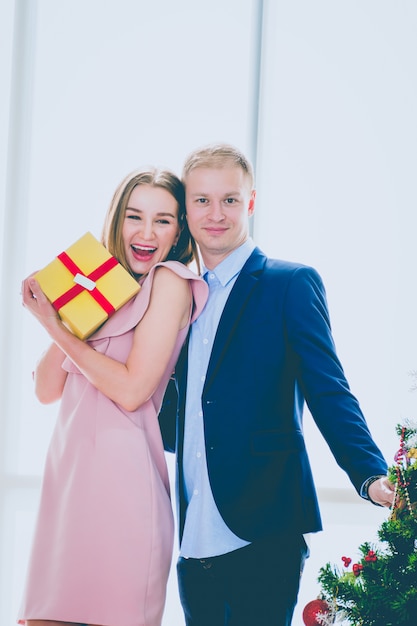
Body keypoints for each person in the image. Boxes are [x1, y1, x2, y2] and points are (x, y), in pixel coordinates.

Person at [158, 143, 395, 626]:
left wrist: (370, 475)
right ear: (186, 210)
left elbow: (329, 388)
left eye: (229, 199)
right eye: (202, 200)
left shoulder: (289, 283)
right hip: (191, 539)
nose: (216, 213)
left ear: (251, 201)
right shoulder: (177, 294)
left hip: (264, 530)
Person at [17, 167, 208, 626]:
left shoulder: (172, 280)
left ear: (180, 229)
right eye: (134, 216)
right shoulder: (106, 288)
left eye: (163, 220)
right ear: (116, 220)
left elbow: (131, 390)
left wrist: (50, 324)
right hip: (67, 493)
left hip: (124, 492)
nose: (145, 233)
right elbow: (46, 391)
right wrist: (68, 307)